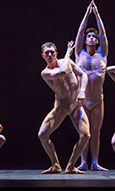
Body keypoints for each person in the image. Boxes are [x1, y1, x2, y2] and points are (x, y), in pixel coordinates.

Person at [38, 41, 90, 174]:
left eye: (51, 52)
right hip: (61, 106)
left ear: (56, 53)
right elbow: (62, 72)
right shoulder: (45, 73)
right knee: (42, 134)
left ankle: (71, 166)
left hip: (76, 105)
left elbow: (83, 75)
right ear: (43, 56)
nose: (49, 55)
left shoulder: (67, 61)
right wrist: (68, 52)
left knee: (85, 135)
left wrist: (82, 90)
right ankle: (55, 164)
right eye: (46, 53)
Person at [75, 0, 109, 171]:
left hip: (97, 100)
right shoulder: (79, 53)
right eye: (90, 36)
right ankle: (83, 162)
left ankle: (95, 162)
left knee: (95, 132)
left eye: (94, 37)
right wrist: (86, 14)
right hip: (82, 100)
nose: (92, 38)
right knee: (84, 133)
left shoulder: (102, 55)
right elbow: (80, 32)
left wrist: (97, 15)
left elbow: (103, 33)